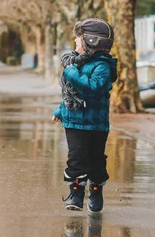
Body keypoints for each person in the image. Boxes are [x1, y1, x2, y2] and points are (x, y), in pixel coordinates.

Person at [52, 18, 117, 212]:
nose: (75, 43)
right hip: (74, 121)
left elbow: (93, 88)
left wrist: (71, 72)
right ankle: (76, 194)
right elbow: (71, 94)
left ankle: (95, 190)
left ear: (90, 42)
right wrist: (60, 111)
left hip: (95, 123)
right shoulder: (74, 62)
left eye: (78, 40)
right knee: (76, 159)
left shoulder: (102, 66)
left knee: (96, 160)